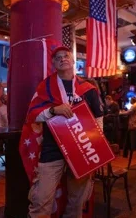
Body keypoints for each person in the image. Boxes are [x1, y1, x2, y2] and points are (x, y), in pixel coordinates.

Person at [19, 46, 103, 218]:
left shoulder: (88, 88)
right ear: (54, 65)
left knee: (77, 200)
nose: (62, 59)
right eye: (58, 58)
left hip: (82, 148)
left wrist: (97, 147)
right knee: (41, 199)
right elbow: (32, 115)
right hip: (52, 148)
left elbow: (98, 118)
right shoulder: (45, 87)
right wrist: (53, 110)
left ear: (73, 61)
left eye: (66, 56)